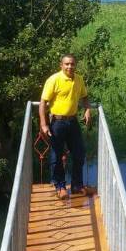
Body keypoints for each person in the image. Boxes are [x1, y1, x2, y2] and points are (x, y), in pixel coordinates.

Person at [39, 54, 92, 199]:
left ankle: (76, 186)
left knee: (79, 153)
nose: (70, 67)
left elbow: (85, 97)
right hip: (57, 122)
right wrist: (44, 124)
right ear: (61, 65)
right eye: (67, 64)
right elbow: (43, 103)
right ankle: (60, 187)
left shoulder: (79, 79)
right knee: (56, 156)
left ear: (75, 65)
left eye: (72, 64)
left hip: (73, 122)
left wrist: (87, 110)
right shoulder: (54, 80)